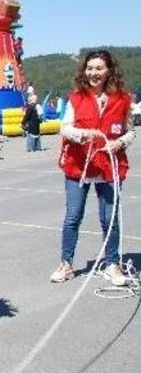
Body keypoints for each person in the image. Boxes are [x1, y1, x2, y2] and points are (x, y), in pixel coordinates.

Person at [50, 50, 134, 286]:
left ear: (109, 71)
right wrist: (82, 134)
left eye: (99, 68)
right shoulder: (76, 98)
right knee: (72, 217)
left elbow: (130, 130)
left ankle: (112, 264)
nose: (93, 73)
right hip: (79, 166)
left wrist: (120, 142)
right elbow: (64, 127)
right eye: (90, 68)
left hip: (109, 166)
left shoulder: (123, 99)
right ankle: (66, 264)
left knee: (110, 219)